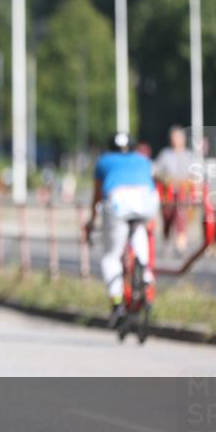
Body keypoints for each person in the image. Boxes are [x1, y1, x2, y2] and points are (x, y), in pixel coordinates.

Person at [85, 132, 160, 327]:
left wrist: (92, 221)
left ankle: (117, 303)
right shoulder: (143, 159)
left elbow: (97, 195)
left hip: (118, 201)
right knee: (139, 229)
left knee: (111, 256)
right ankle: (145, 274)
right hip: (145, 200)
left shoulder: (103, 161)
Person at [154, 126, 196, 255]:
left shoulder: (189, 155)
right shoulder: (165, 154)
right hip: (168, 192)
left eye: (178, 137)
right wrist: (165, 179)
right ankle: (167, 241)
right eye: (174, 138)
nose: (176, 140)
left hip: (184, 191)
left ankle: (180, 245)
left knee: (181, 216)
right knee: (168, 217)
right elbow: (156, 171)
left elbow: (196, 174)